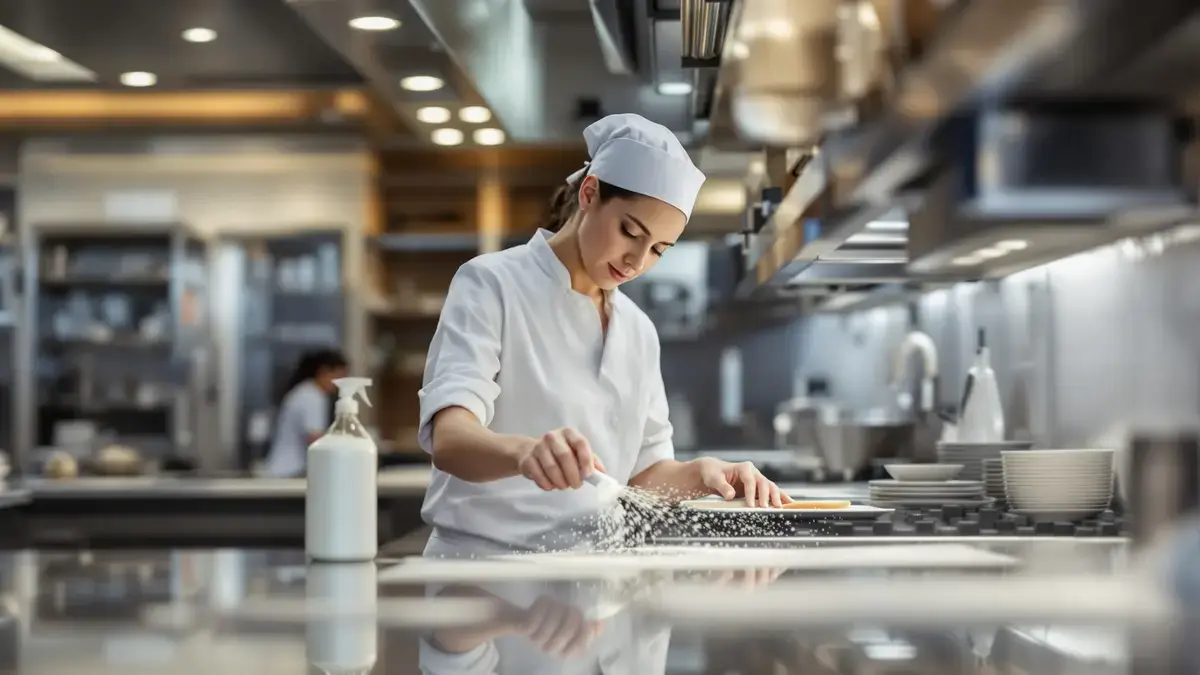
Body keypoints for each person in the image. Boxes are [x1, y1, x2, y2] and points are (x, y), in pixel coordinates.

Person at [418, 112, 792, 556]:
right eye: (630, 232)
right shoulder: (491, 283)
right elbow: (451, 439)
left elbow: (642, 477)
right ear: (590, 193)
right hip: (481, 574)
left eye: (658, 249)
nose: (636, 260)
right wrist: (524, 453)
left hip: (590, 580)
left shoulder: (637, 329)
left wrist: (703, 473)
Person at [261, 348, 348, 478]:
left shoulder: (305, 391)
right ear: (324, 371)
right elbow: (315, 438)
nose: (339, 385)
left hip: (286, 470)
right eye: (339, 377)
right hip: (288, 472)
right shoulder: (311, 396)